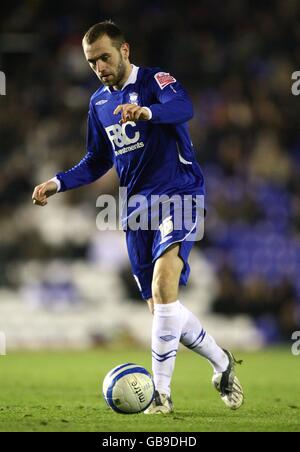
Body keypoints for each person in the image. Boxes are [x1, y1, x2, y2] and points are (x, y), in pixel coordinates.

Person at [32, 20, 244, 414]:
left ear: (125, 50)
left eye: (105, 57)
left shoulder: (156, 80)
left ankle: (161, 396)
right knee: (163, 310)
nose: (99, 67)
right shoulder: (99, 104)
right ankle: (221, 362)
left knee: (165, 285)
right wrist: (58, 182)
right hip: (135, 209)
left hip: (180, 194)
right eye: (92, 61)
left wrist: (146, 111)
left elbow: (184, 108)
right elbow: (97, 160)